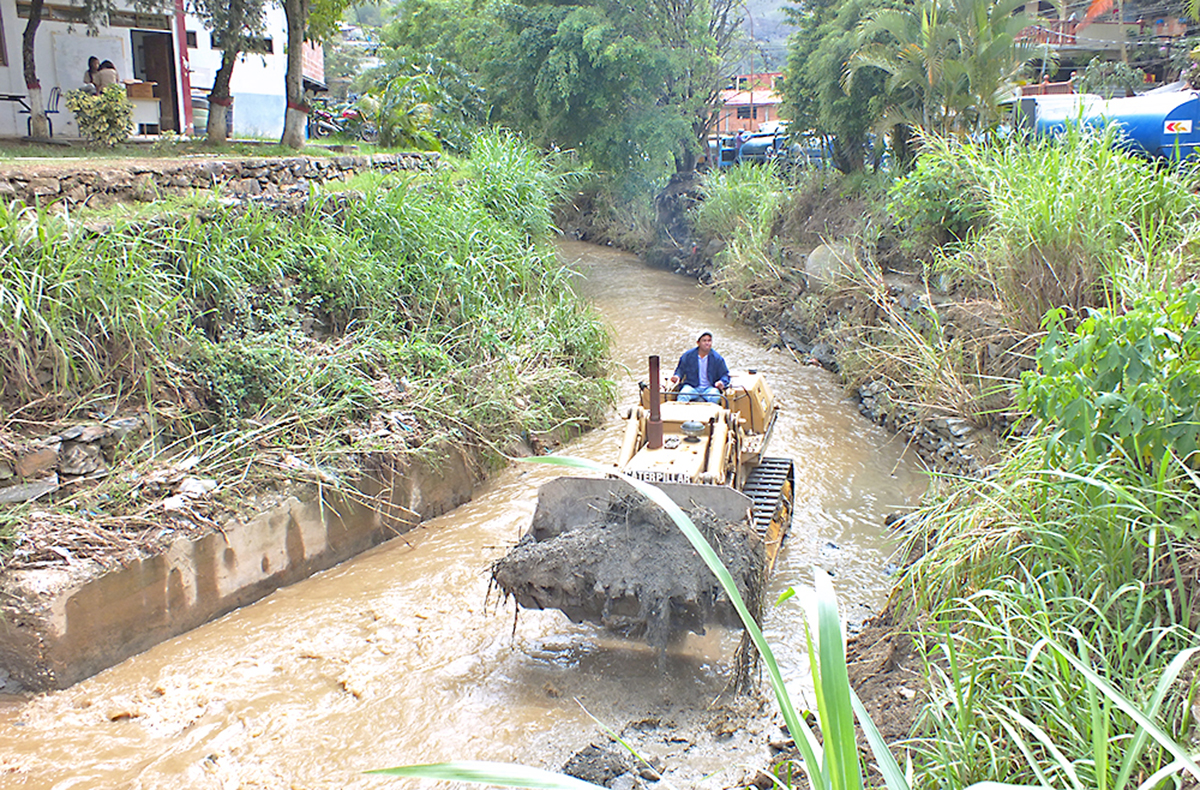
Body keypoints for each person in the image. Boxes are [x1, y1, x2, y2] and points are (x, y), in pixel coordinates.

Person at [670, 331, 730, 404]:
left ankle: (711, 415)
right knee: (683, 396)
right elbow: (680, 370)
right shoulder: (688, 356)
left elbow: (725, 374)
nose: (707, 343)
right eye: (704, 341)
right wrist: (677, 376)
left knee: (715, 397)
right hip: (692, 386)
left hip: (710, 388)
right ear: (698, 343)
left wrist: (721, 382)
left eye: (709, 340)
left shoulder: (717, 358)